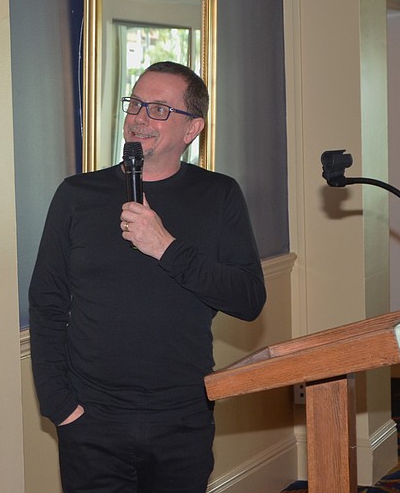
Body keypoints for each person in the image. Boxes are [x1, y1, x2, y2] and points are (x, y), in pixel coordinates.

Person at [29, 61, 266, 493]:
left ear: (192, 128)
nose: (139, 118)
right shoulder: (76, 195)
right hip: (91, 421)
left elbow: (248, 299)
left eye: (159, 109)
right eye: (135, 103)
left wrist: (167, 248)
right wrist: (61, 406)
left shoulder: (219, 195)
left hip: (183, 417)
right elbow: (46, 303)